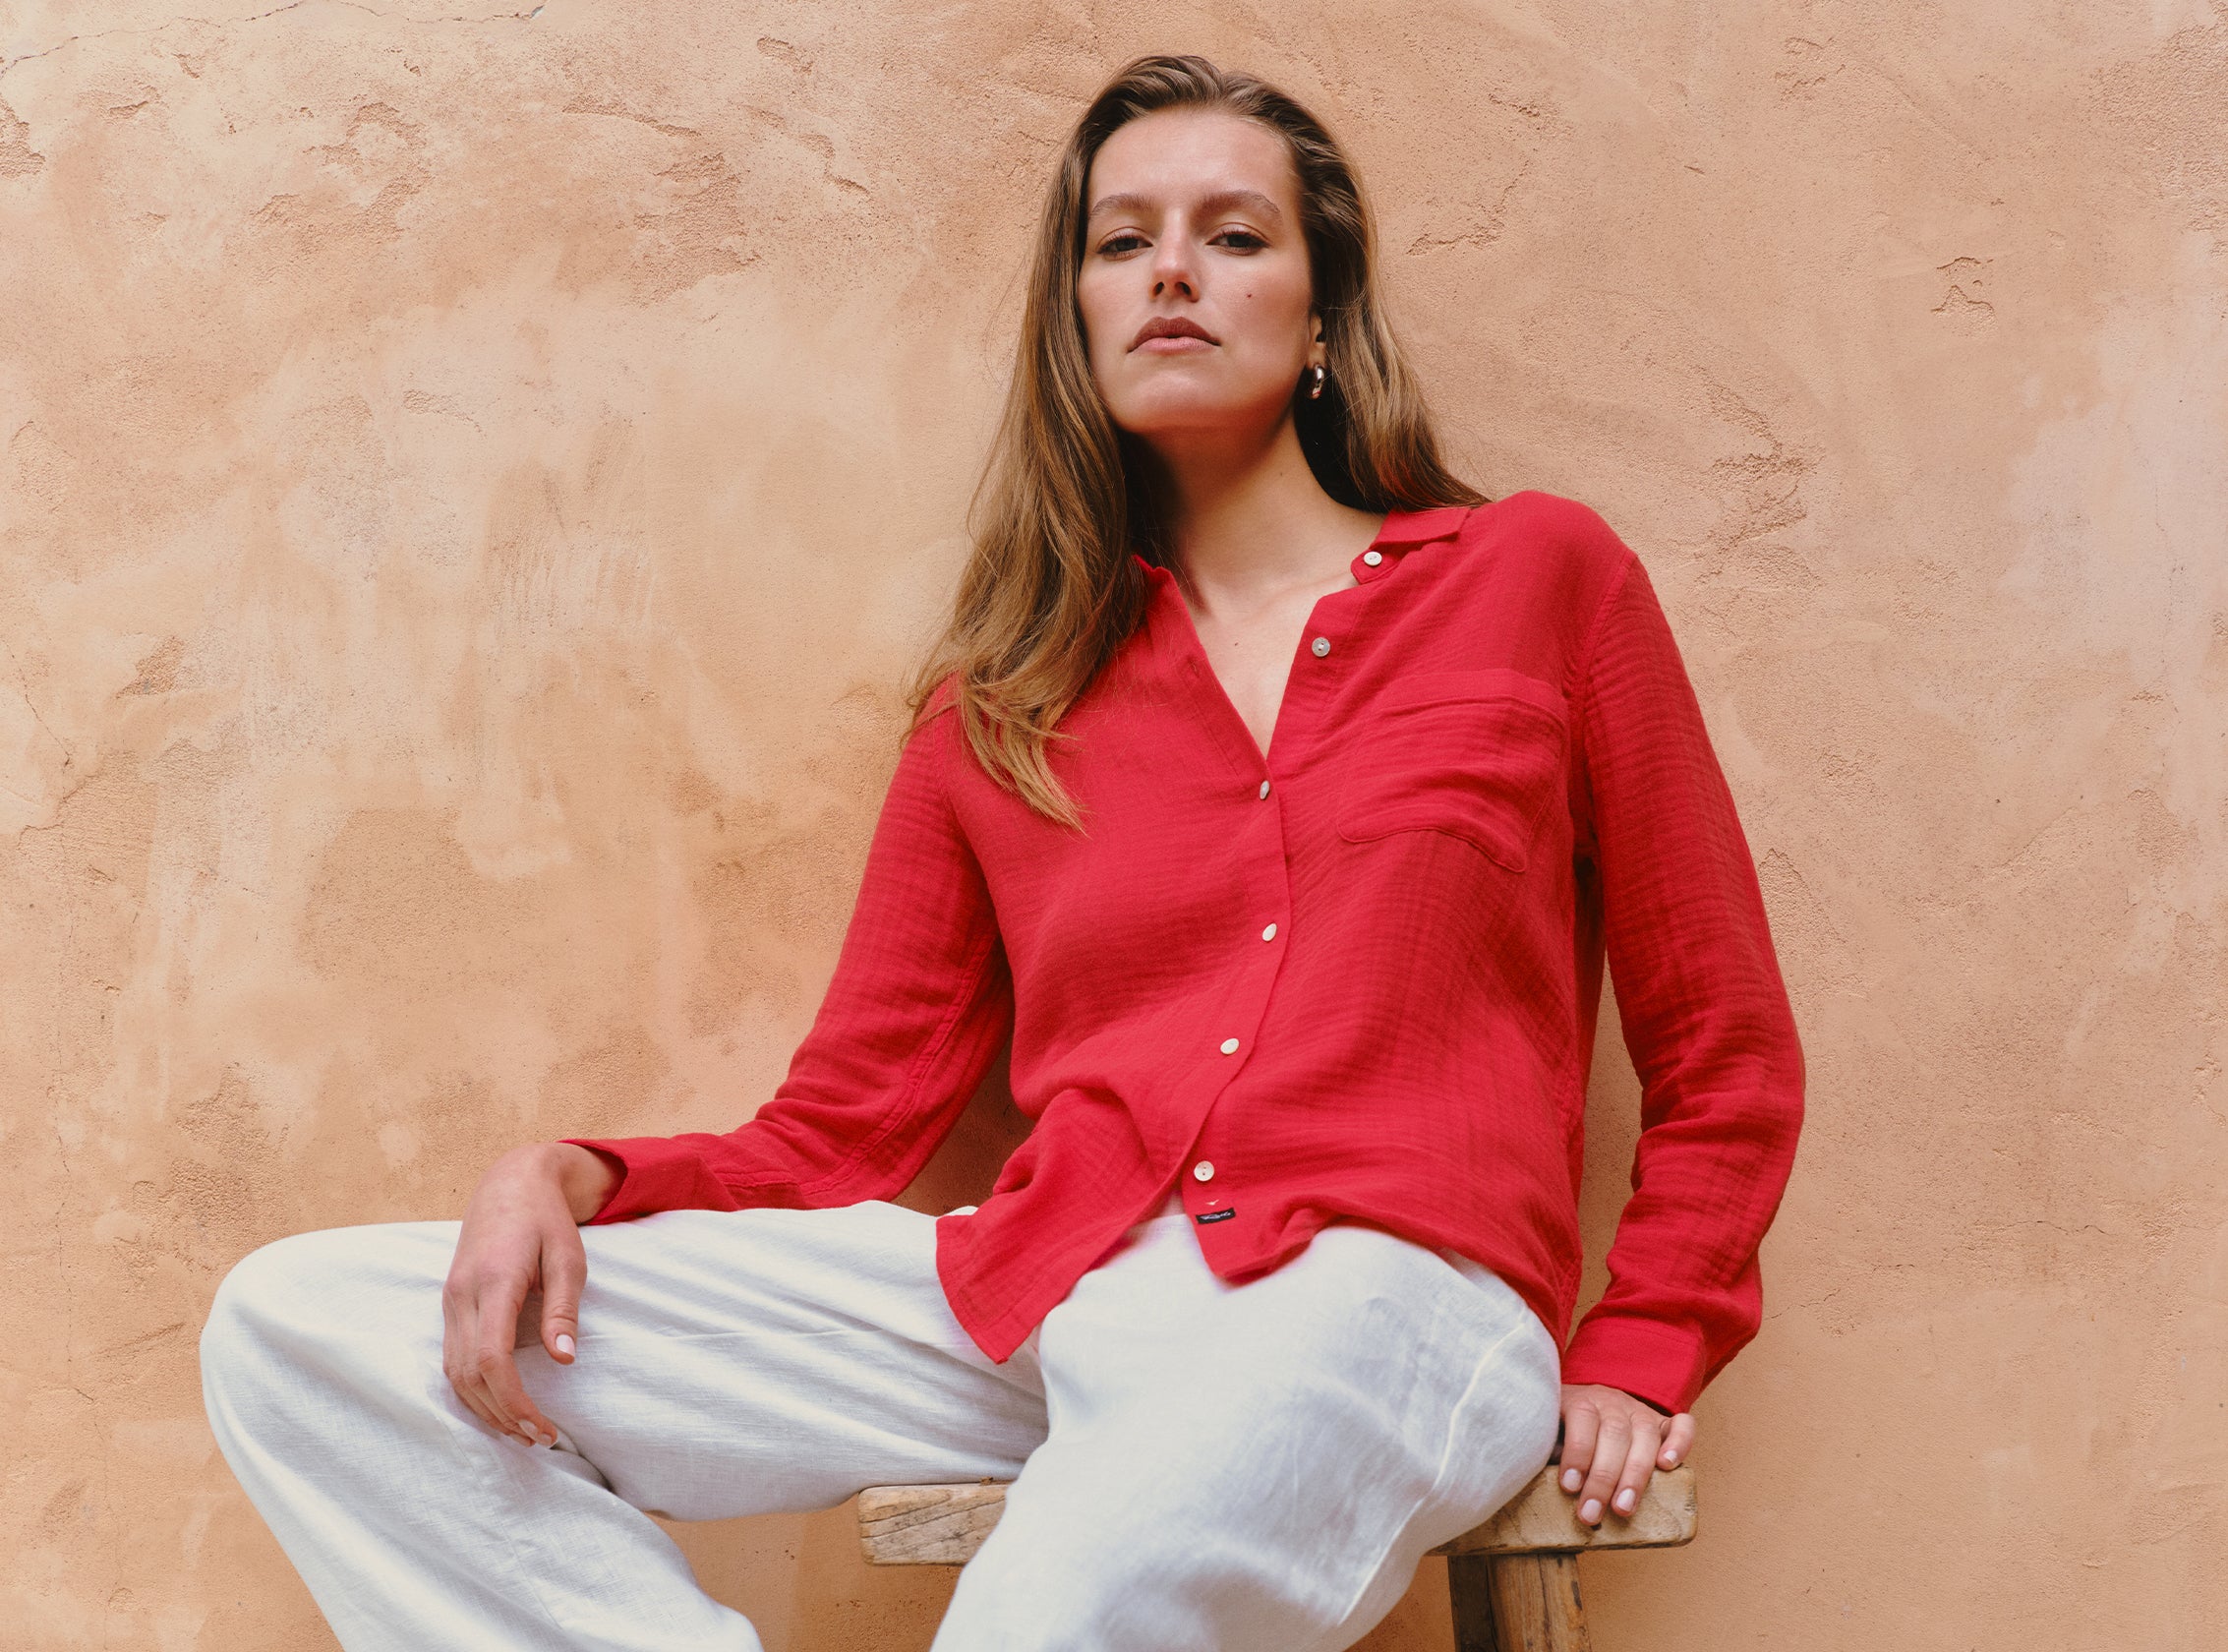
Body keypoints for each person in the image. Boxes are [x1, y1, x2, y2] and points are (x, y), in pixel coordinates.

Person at [200, 52, 1803, 1652]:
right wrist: (577, 1173)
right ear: (1075, 315)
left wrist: (1642, 1339)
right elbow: (840, 1127)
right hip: (1050, 1286)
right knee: (313, 1330)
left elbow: (1720, 1044)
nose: (1170, 270)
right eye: (1121, 241)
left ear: (1323, 315)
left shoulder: (1535, 578)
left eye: (1233, 235)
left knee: (1048, 1614)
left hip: (1384, 1300)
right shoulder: (1004, 704)